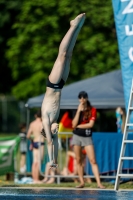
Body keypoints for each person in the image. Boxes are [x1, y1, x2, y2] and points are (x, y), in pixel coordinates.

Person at [41, 13, 86, 169]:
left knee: (62, 56)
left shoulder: (46, 121)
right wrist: (56, 161)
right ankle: (77, 29)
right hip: (60, 85)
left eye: (54, 131)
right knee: (69, 55)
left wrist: (51, 160)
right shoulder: (54, 122)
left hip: (53, 84)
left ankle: (72, 26)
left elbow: (49, 141)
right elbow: (53, 139)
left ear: (47, 131)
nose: (57, 129)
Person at [72, 91, 105, 188]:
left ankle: (99, 183)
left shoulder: (92, 110)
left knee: (93, 160)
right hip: (77, 136)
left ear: (86, 98)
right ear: (79, 99)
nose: (82, 99)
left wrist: (78, 125)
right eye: (80, 97)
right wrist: (78, 111)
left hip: (87, 136)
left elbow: (90, 125)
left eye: (84, 97)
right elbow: (73, 125)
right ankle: (82, 182)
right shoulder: (76, 110)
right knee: (78, 159)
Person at [27, 110, 45, 183]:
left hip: (34, 142)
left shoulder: (32, 124)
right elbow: (44, 134)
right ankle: (37, 179)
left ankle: (34, 178)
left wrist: (32, 140)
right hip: (40, 142)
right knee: (39, 161)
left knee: (34, 162)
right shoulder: (42, 124)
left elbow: (28, 135)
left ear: (35, 116)